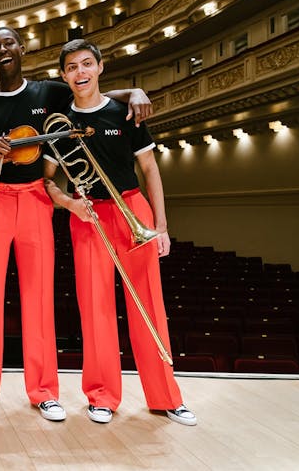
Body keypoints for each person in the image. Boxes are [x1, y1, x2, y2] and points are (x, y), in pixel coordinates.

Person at [0, 27, 151, 423]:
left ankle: (43, 390)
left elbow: (91, 97)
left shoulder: (49, 94)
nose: (2, 49)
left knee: (39, 296)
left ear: (22, 49)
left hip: (36, 198)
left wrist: (134, 92)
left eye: (8, 43)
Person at [43, 39, 197, 426]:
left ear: (99, 67)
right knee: (94, 310)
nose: (80, 73)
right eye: (72, 68)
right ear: (64, 76)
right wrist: (69, 204)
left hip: (133, 210)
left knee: (149, 308)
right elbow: (48, 182)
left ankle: (166, 397)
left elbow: (150, 171)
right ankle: (101, 396)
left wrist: (160, 226)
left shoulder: (123, 114)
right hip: (88, 214)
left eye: (86, 64)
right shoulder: (60, 123)